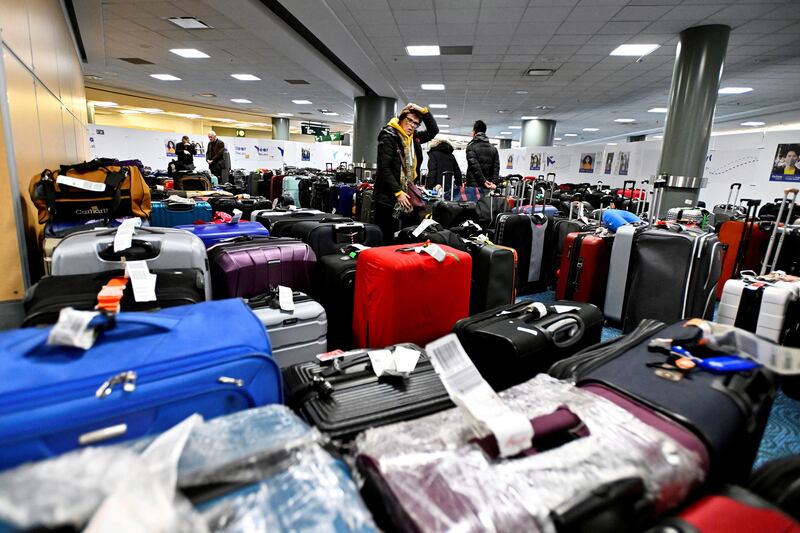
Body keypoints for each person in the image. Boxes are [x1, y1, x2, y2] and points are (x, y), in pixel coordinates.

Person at [375, 103, 439, 242]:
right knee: (386, 236)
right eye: (409, 120)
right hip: (388, 196)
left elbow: (434, 130)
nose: (412, 125)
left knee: (410, 233)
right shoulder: (388, 136)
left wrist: (423, 111)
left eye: (416, 123)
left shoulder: (414, 138)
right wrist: (397, 192)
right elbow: (384, 168)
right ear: (401, 118)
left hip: (408, 194)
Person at [465, 120, 499, 190]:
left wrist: (483, 181)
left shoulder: (471, 147)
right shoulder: (493, 149)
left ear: (474, 132)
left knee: (473, 201)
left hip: (474, 186)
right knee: (486, 201)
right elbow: (496, 168)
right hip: (488, 186)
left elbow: (475, 167)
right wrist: (493, 183)